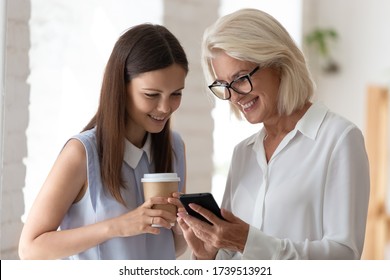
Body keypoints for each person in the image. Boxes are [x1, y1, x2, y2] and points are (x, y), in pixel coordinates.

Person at [177, 8, 370, 260]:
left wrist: (249, 243)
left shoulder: (339, 139)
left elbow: (344, 255)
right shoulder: (243, 153)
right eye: (224, 85)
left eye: (241, 78)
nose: (234, 96)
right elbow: (233, 254)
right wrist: (208, 255)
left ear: (279, 64)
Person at [19, 23, 188, 260]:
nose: (165, 108)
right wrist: (118, 226)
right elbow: (30, 248)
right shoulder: (81, 153)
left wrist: (185, 229)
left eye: (176, 94)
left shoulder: (174, 147)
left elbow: (169, 247)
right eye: (151, 95)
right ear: (121, 86)